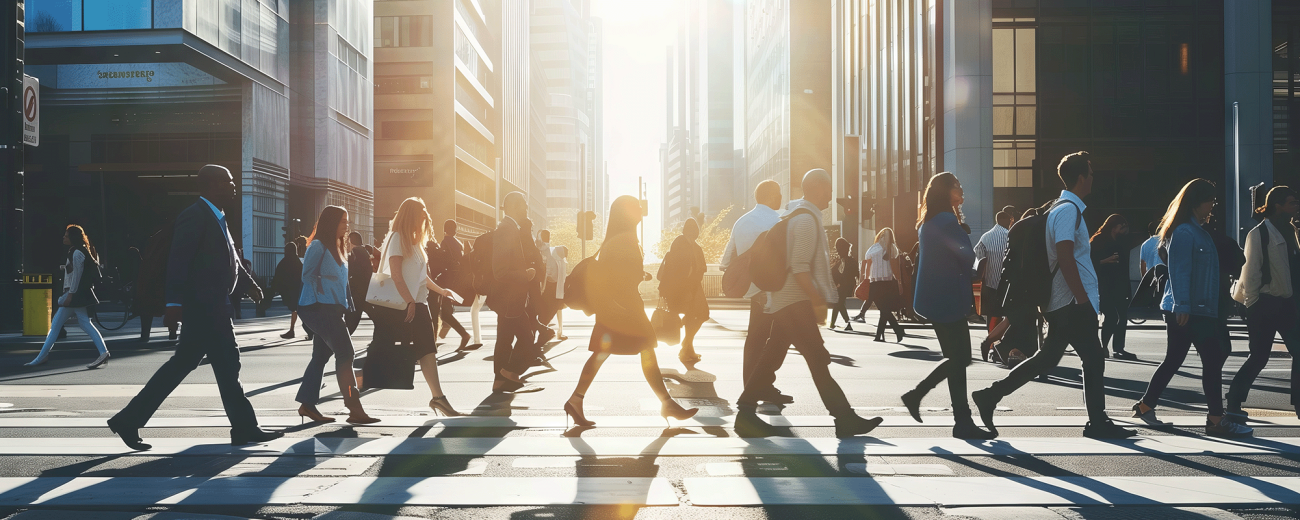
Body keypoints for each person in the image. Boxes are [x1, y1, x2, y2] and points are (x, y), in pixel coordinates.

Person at [108, 164, 279, 450]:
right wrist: (173, 304)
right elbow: (179, 262)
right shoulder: (195, 216)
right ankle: (244, 428)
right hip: (204, 308)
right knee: (219, 365)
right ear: (212, 185)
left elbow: (232, 259)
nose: (234, 186)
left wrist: (249, 283)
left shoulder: (217, 216)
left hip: (213, 307)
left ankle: (130, 420)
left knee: (208, 366)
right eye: (229, 181)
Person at [972, 151, 1137, 439]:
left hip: (1064, 302)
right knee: (1093, 358)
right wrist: (1082, 298)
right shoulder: (1067, 211)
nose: (1093, 178)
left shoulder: (1064, 209)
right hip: (1070, 302)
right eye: (1091, 173)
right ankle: (1097, 422)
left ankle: (989, 396)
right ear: (1082, 177)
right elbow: (1063, 254)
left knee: (1049, 359)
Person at [733, 169, 884, 438]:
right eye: (827, 189)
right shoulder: (805, 220)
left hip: (787, 301)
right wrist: (817, 302)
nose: (830, 195)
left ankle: (745, 413)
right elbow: (800, 268)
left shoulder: (798, 216)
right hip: (794, 302)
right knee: (818, 359)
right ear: (815, 187)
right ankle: (844, 418)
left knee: (773, 357)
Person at [562, 196, 699, 427]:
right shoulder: (622, 241)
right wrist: (634, 279)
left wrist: (638, 275)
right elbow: (616, 276)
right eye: (636, 208)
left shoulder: (619, 240)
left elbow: (619, 272)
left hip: (619, 308)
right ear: (626, 215)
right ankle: (666, 403)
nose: (641, 211)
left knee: (610, 353)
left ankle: (576, 400)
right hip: (623, 309)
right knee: (637, 350)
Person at [1130, 179, 1251, 437]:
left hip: (1194, 306)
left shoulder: (1194, 229)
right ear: (1198, 201)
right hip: (1191, 308)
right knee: (1211, 360)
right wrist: (1182, 305)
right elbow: (1179, 270)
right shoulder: (1186, 231)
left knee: (1177, 360)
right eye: (1211, 201)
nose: (1213, 206)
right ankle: (1216, 421)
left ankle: (1145, 406)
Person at [902, 172, 997, 439]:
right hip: (948, 298)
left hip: (934, 298)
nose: (962, 189)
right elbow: (966, 256)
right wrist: (981, 266)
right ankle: (925, 399)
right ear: (947, 191)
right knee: (961, 358)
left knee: (956, 359)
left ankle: (959, 419)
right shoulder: (946, 221)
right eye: (958, 186)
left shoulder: (930, 220)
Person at [363, 197, 463, 416]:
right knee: (389, 351)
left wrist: (443, 291)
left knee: (428, 351)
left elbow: (422, 277)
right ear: (411, 216)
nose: (425, 219)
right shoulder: (398, 238)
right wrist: (409, 301)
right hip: (405, 305)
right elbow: (396, 275)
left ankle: (439, 398)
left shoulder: (415, 242)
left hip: (418, 303)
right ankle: (352, 387)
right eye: (421, 215)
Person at [293, 206, 379, 425]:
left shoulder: (339, 246)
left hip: (333, 308)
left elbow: (341, 280)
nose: (347, 225)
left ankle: (307, 404)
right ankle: (354, 409)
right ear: (331, 222)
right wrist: (323, 293)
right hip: (320, 308)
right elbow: (307, 275)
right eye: (343, 221)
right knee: (346, 353)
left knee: (321, 356)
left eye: (347, 221)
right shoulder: (318, 246)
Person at [1229, 186, 1300, 420]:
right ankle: (1233, 400)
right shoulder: (1259, 233)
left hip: (1288, 303)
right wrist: (1252, 305)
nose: (1295, 206)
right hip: (1265, 303)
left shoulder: (1290, 230)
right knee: (1259, 357)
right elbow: (1250, 272)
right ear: (1277, 205)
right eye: (1291, 202)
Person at [720, 179, 792, 405]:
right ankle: (760, 386)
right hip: (774, 289)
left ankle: (753, 386)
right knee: (777, 340)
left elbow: (725, 261)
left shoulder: (741, 222)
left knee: (755, 339)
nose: (781, 198)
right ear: (771, 197)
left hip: (753, 291)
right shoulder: (777, 221)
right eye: (779, 194)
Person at [24, 224, 111, 369]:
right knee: (84, 323)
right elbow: (76, 272)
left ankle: (41, 357)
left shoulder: (77, 253)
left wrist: (70, 295)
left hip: (75, 295)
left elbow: (77, 276)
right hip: (78, 294)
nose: (63, 237)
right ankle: (103, 352)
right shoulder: (77, 251)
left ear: (72, 237)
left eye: (66, 235)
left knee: (56, 326)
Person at [491, 192, 544, 393]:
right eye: (524, 206)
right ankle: (511, 373)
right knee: (527, 342)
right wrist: (526, 274)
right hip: (510, 298)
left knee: (504, 340)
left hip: (510, 299)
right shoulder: (507, 229)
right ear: (514, 206)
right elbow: (500, 271)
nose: (526, 210)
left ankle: (500, 381)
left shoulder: (511, 227)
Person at [659, 218, 710, 364]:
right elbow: (677, 270)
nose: (694, 232)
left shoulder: (695, 247)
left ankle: (687, 345)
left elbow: (699, 268)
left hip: (693, 287)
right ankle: (687, 348)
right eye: (692, 229)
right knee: (693, 315)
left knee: (701, 315)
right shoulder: (680, 243)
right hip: (681, 288)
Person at [1090, 214, 1138, 360]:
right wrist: (1106, 260)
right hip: (1103, 285)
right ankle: (1103, 346)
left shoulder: (1121, 241)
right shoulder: (1098, 240)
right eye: (1121, 227)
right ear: (1114, 227)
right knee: (1111, 316)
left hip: (1119, 283)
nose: (1123, 230)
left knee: (1122, 316)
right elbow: (1090, 263)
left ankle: (1119, 348)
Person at [859, 228, 906, 342]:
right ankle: (891, 332)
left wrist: (865, 279)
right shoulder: (893, 248)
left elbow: (868, 264)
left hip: (876, 282)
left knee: (883, 309)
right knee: (884, 310)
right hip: (888, 282)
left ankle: (882, 335)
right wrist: (899, 282)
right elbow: (896, 268)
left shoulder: (874, 248)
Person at [433, 220, 471, 350]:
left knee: (444, 312)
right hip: (456, 281)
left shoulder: (445, 242)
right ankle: (449, 330)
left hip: (447, 281)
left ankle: (463, 334)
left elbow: (443, 262)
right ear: (455, 229)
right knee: (445, 311)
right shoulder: (458, 243)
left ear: (444, 229)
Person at [974, 210, 1012, 333]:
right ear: (1006, 221)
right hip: (1007, 283)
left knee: (992, 314)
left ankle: (991, 338)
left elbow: (978, 255)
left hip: (990, 284)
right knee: (1007, 315)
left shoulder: (986, 236)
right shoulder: (1010, 235)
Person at [273, 242, 312, 340]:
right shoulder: (298, 262)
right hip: (299, 290)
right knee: (297, 310)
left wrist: (275, 288)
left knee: (297, 310)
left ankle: (309, 330)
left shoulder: (284, 262)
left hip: (289, 291)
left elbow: (278, 276)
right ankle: (293, 330)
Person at [828, 238, 857, 331]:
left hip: (843, 285)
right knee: (838, 303)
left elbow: (839, 272)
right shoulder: (848, 260)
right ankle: (832, 323)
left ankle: (847, 322)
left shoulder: (843, 261)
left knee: (839, 303)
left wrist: (838, 283)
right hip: (847, 285)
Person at [345, 232, 370, 334]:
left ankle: (343, 340)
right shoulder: (364, 250)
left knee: (351, 318)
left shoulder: (356, 251)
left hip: (357, 290)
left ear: (351, 241)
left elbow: (353, 269)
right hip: (365, 288)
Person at [548, 245, 569, 341]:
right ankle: (552, 332)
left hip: (558, 292)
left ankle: (559, 332)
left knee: (557, 312)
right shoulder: (553, 261)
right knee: (552, 313)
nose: (566, 256)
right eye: (565, 253)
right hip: (553, 291)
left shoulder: (561, 261)